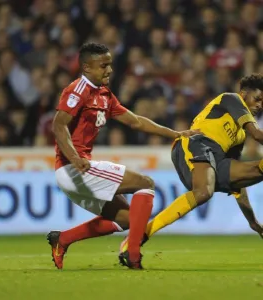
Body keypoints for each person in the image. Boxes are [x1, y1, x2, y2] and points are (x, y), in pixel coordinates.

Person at [47, 42, 198, 270]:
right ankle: (133, 254)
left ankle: (63, 239)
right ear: (87, 67)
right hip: (74, 168)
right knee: (145, 184)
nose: (109, 70)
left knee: (127, 220)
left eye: (110, 65)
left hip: (78, 169)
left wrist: (175, 133)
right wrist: (75, 158)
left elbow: (135, 121)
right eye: (103, 65)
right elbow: (59, 125)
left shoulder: (105, 95)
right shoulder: (78, 90)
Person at [119, 74, 263, 266]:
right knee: (204, 191)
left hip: (215, 157)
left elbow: (237, 182)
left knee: (251, 171)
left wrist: (253, 222)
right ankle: (140, 235)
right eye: (258, 98)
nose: (260, 105)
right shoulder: (232, 99)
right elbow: (258, 134)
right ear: (244, 94)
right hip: (195, 142)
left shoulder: (240, 135)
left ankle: (138, 236)